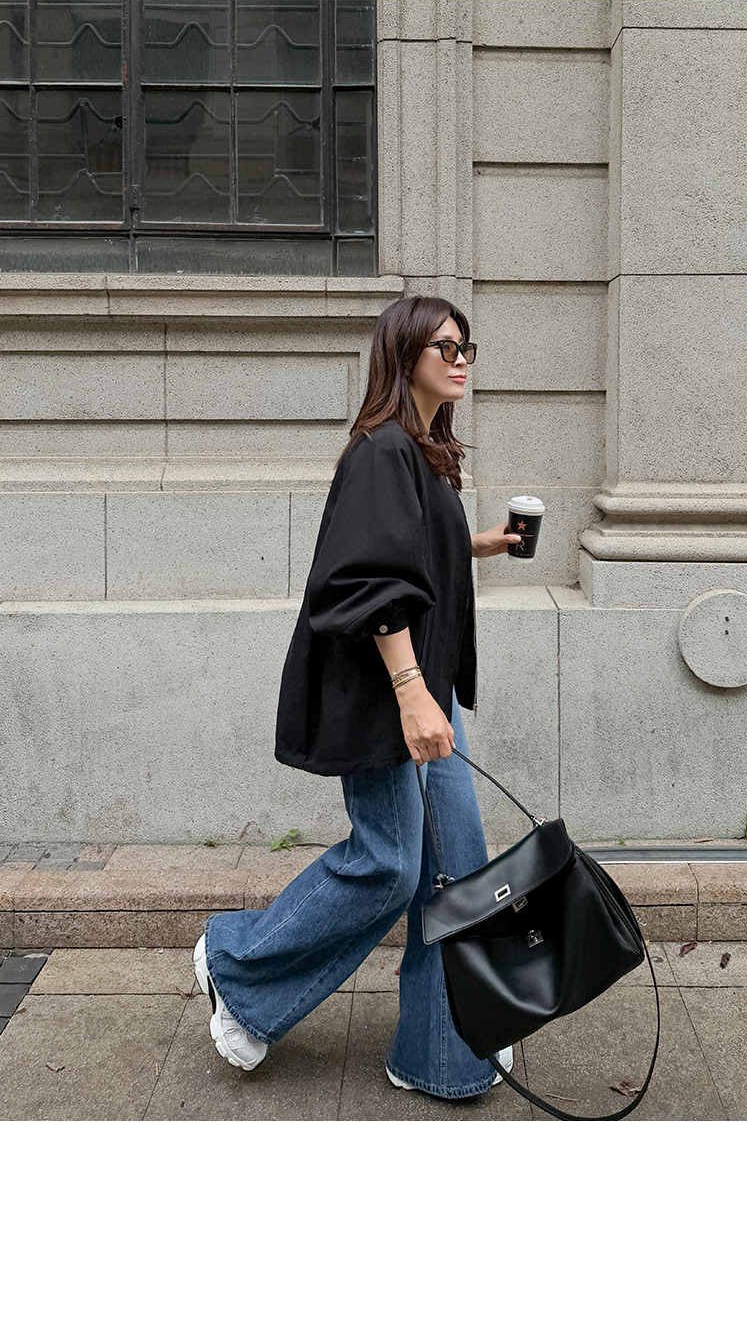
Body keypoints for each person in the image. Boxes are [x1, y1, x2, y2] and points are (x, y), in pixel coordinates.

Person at [192, 296, 522, 1100]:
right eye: (443, 347)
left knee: (453, 870)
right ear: (403, 356)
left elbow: (405, 545)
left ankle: (443, 1052)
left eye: (466, 346)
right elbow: (368, 580)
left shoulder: (422, 451)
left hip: (425, 693)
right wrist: (411, 694)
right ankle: (238, 967)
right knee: (388, 863)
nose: (460, 360)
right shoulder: (382, 450)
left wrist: (473, 541)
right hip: (388, 698)